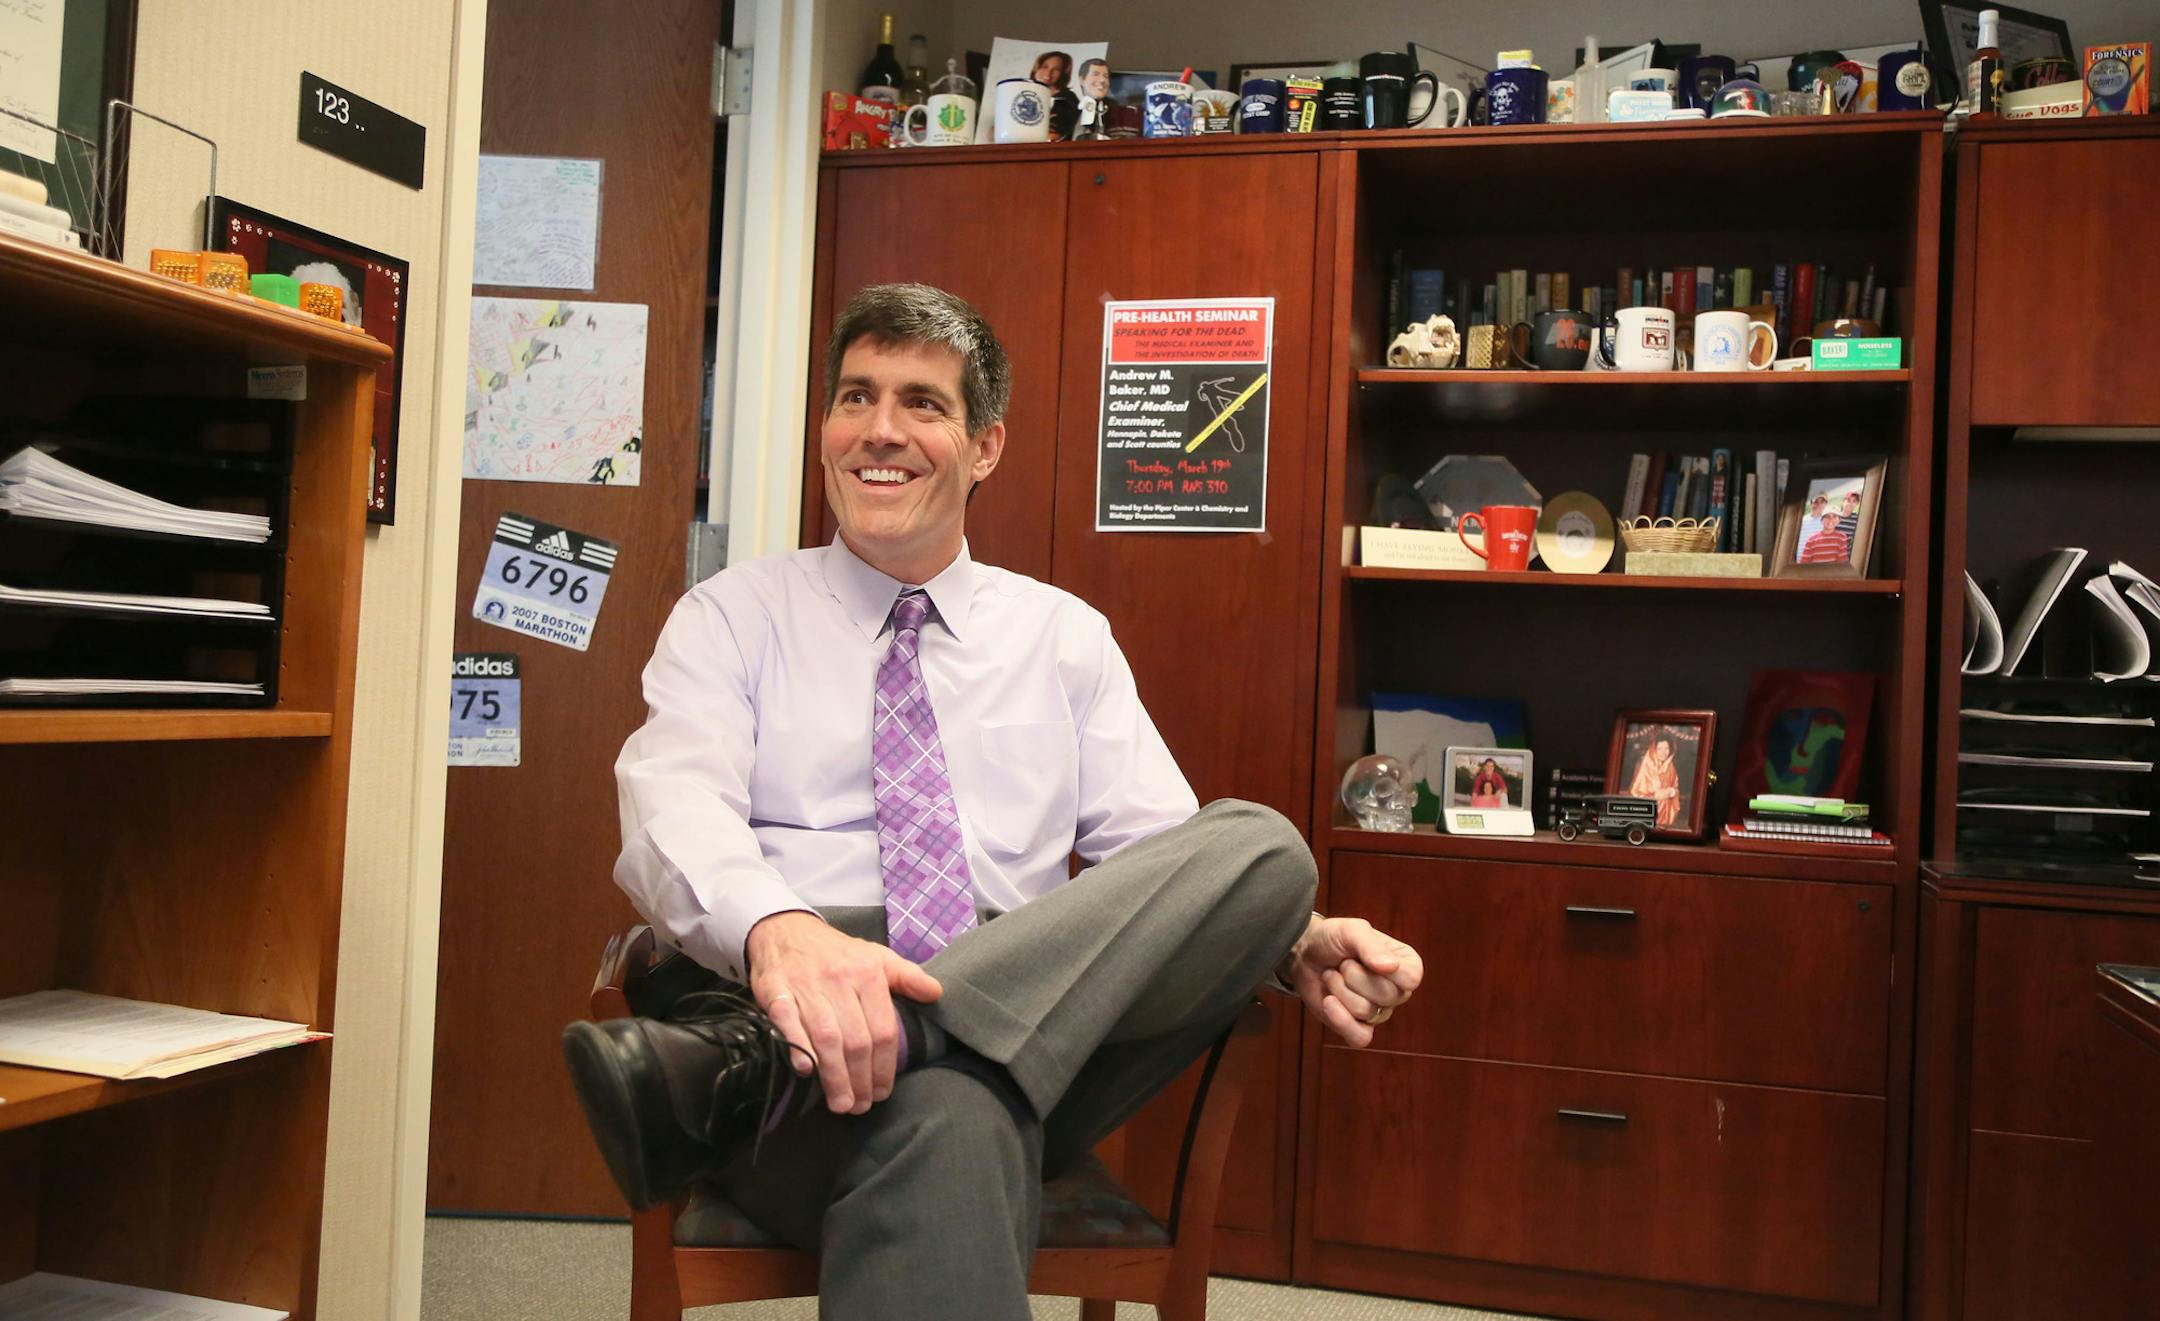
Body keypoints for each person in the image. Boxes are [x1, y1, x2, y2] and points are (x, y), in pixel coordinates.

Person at [561, 283, 1422, 1319]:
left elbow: (1164, 860)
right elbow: (672, 810)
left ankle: (801, 1059)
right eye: (856, 397)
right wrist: (780, 934)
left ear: (986, 447)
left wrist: (1295, 934)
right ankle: (860, 1054)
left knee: (1263, 853)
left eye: (922, 403)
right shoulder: (731, 618)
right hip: (794, 1010)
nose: (880, 430)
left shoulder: (1063, 637)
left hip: (1005, 1023)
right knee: (957, 1116)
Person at [1627, 734, 1683, 827]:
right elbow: (1635, 793)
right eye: (1659, 748)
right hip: (1648, 819)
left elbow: (1675, 788)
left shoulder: (1670, 767)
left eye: (1666, 748)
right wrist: (1655, 796)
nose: (1663, 752)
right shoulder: (1646, 767)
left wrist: (1672, 792)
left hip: (1665, 818)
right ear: (1654, 749)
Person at [1032, 49, 1079, 140]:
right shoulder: (1025, 93)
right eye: (1045, 67)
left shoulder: (1067, 101)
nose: (1048, 73)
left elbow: (1054, 136)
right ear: (1037, 68)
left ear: (1063, 73)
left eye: (1056, 69)